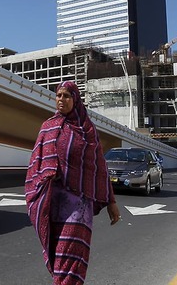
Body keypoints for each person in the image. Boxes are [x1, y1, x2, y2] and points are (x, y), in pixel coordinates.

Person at [25, 81, 121, 284]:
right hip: (52, 203)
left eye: (67, 96)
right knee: (57, 254)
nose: (61, 100)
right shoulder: (48, 127)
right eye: (59, 95)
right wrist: (44, 178)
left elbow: (99, 168)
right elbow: (35, 162)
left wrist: (111, 202)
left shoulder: (87, 130)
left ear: (75, 100)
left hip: (78, 204)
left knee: (71, 255)